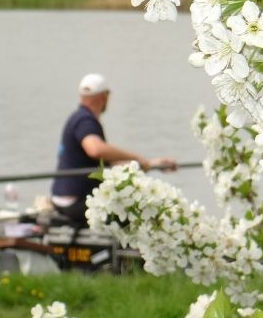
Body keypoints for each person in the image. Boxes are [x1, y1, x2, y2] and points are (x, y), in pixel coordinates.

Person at [51, 73, 176, 226]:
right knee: (141, 210)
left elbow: (108, 163)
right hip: (75, 201)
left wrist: (152, 163)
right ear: (103, 97)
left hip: (64, 197)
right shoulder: (84, 120)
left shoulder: (77, 117)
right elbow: (96, 150)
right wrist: (136, 157)